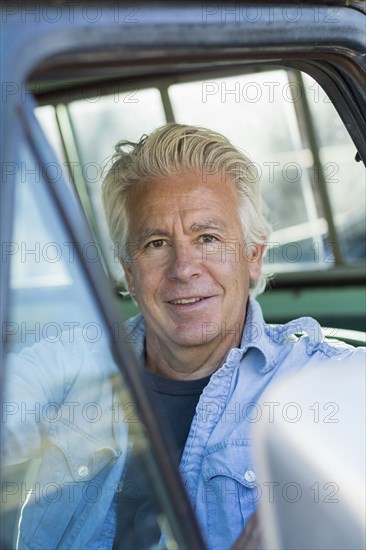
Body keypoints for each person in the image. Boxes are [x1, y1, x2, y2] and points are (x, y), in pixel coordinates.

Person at [3, 124, 364, 550]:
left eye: (207, 238)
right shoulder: (72, 361)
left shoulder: (325, 382)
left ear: (253, 256)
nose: (183, 268)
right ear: (129, 272)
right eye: (157, 243)